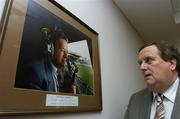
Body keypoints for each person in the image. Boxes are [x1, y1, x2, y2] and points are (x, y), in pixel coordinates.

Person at [124, 41, 180, 119]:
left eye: (148, 60)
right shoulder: (135, 100)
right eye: (140, 63)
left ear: (172, 64)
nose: (142, 67)